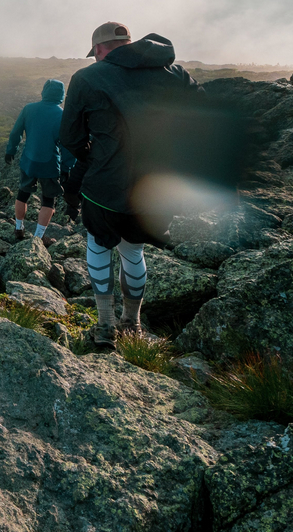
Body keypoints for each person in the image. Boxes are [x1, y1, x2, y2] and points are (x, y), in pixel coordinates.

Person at [59, 21, 198, 346]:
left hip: (105, 187)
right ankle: (132, 323)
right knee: (133, 252)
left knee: (99, 246)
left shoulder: (87, 78)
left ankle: (105, 327)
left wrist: (93, 154)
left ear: (99, 49)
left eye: (95, 52)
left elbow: (70, 138)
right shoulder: (174, 73)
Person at [4, 79, 76, 246]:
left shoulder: (28, 109)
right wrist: (66, 168)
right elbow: (67, 145)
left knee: (23, 194)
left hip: (28, 161)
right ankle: (38, 237)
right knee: (48, 201)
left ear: (44, 92)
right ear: (61, 95)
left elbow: (15, 132)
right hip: (49, 164)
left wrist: (10, 151)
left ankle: (19, 228)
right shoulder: (62, 115)